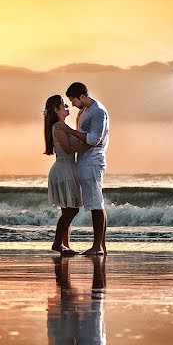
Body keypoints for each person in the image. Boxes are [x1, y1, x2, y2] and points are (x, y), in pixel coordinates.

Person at [56, 82, 110, 256]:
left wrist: (69, 131)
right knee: (96, 202)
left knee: (96, 203)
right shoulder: (85, 112)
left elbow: (94, 140)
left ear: (82, 97)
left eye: (73, 100)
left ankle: (98, 247)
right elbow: (86, 139)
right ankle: (101, 246)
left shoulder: (98, 112)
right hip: (84, 161)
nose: (71, 104)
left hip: (93, 162)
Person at [43, 95, 91, 255]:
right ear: (56, 110)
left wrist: (78, 122)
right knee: (72, 210)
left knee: (67, 210)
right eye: (63, 105)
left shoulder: (62, 125)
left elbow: (72, 140)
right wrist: (89, 144)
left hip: (67, 169)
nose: (67, 107)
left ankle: (65, 246)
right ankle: (57, 244)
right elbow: (69, 148)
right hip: (64, 170)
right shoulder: (58, 127)